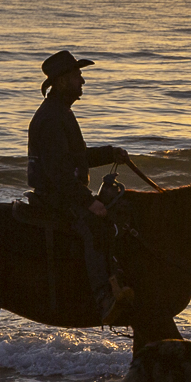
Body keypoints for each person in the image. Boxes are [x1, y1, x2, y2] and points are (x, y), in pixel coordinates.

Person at [28, 50, 130, 320]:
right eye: (77, 76)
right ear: (62, 82)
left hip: (60, 190)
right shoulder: (52, 118)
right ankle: (103, 296)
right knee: (96, 225)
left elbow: (74, 158)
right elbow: (58, 172)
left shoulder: (59, 112)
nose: (82, 82)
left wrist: (110, 153)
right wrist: (88, 201)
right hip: (56, 196)